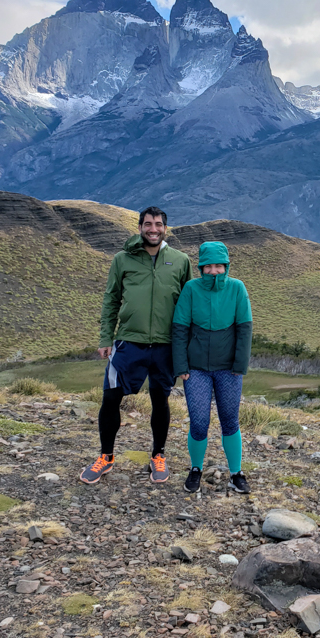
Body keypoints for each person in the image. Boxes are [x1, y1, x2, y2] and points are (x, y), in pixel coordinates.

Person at [80, 206, 192, 485]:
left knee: (160, 399)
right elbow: (111, 300)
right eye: (148, 224)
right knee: (110, 398)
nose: (153, 229)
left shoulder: (180, 260)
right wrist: (106, 337)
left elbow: (188, 306)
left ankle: (158, 455)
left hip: (165, 346)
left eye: (158, 224)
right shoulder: (123, 259)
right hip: (129, 342)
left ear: (166, 228)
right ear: (140, 227)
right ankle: (106, 456)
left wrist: (187, 346)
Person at [171, 241, 253, 494]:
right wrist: (181, 366)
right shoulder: (191, 289)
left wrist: (239, 365)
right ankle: (195, 469)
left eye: (219, 266)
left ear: (226, 267)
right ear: (201, 268)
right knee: (198, 422)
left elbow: (244, 328)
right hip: (195, 370)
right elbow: (179, 329)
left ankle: (236, 473)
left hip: (228, 369)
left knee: (230, 421)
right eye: (209, 267)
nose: (214, 271)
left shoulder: (237, 288)